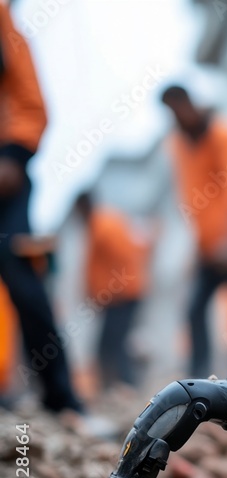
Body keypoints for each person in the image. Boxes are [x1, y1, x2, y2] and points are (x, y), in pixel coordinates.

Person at [0, 2, 83, 415]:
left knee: (21, 279)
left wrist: (13, 156)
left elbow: (30, 101)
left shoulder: (1, 20)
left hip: (6, 180)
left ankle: (60, 398)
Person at [160, 85, 227, 378]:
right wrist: (200, 248)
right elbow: (192, 201)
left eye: (178, 108)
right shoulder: (179, 145)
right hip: (209, 251)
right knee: (194, 309)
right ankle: (199, 377)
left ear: (189, 103)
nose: (177, 117)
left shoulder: (223, 134)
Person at [74, 192, 148, 391]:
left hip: (122, 295)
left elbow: (122, 260)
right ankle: (119, 385)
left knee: (113, 343)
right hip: (120, 295)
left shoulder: (103, 225)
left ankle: (124, 385)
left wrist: (111, 290)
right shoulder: (101, 223)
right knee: (113, 341)